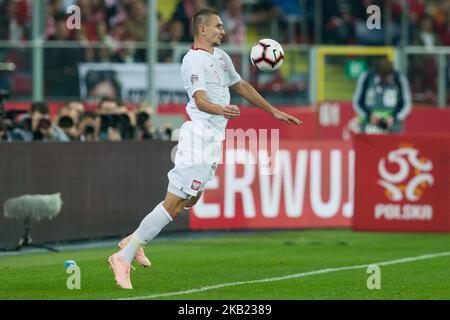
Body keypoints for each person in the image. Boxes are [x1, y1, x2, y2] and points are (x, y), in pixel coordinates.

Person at [107, 8, 302, 289]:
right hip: (198, 137)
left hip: (212, 140)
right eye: (218, 26)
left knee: (190, 200)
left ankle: (135, 238)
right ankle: (122, 257)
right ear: (202, 30)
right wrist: (221, 108)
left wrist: (273, 111)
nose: (223, 31)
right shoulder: (193, 60)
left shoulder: (220, 57)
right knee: (173, 205)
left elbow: (241, 85)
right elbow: (199, 100)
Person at [352, 57, 412, 134]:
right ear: (378, 73)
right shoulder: (366, 77)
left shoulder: (400, 78)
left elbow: (407, 103)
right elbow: (357, 101)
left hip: (393, 126)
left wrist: (394, 117)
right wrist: (369, 115)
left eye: (390, 75)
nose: (389, 78)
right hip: (368, 125)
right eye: (386, 76)